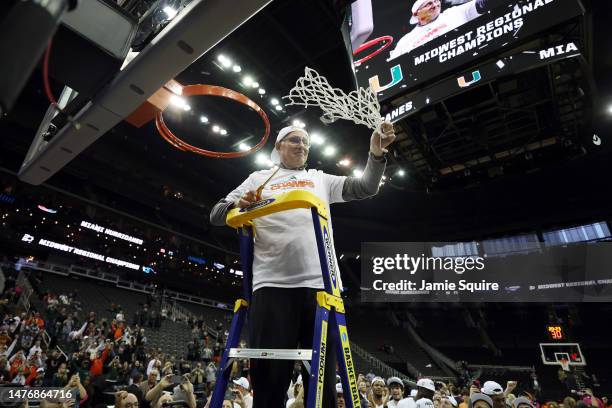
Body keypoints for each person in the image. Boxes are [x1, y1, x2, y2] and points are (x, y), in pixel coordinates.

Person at [211, 122, 395, 407]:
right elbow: (216, 213)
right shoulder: (258, 178)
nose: (301, 146)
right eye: (294, 140)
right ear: (279, 147)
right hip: (271, 284)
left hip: (321, 287)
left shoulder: (319, 179)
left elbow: (365, 187)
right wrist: (240, 207)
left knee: (321, 385)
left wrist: (376, 154)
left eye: (305, 143)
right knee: (270, 378)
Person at [389, 0, 502, 60]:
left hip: (469, 60)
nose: (435, 5)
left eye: (436, 1)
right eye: (429, 3)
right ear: (416, 13)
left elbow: (483, 4)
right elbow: (393, 65)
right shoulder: (406, 41)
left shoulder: (454, 12)